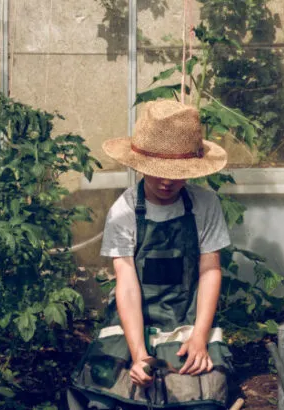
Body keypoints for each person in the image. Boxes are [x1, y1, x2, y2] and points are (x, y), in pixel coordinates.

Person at [68, 99, 233, 410]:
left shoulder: (205, 204)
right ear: (139, 165)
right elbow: (127, 284)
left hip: (186, 319)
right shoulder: (124, 210)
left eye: (177, 171)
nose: (167, 180)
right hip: (134, 320)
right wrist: (139, 352)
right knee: (105, 394)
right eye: (158, 171)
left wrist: (199, 337)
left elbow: (210, 270)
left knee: (202, 396)